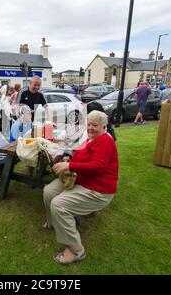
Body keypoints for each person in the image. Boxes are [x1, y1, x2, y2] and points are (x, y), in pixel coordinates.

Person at [43, 110, 118, 264]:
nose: (90, 127)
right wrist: (67, 158)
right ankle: (53, 222)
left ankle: (77, 251)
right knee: (49, 191)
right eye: (89, 124)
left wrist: (69, 165)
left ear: (104, 127)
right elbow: (78, 155)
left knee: (59, 205)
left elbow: (99, 166)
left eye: (95, 125)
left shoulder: (105, 140)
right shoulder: (90, 138)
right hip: (81, 180)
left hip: (97, 190)